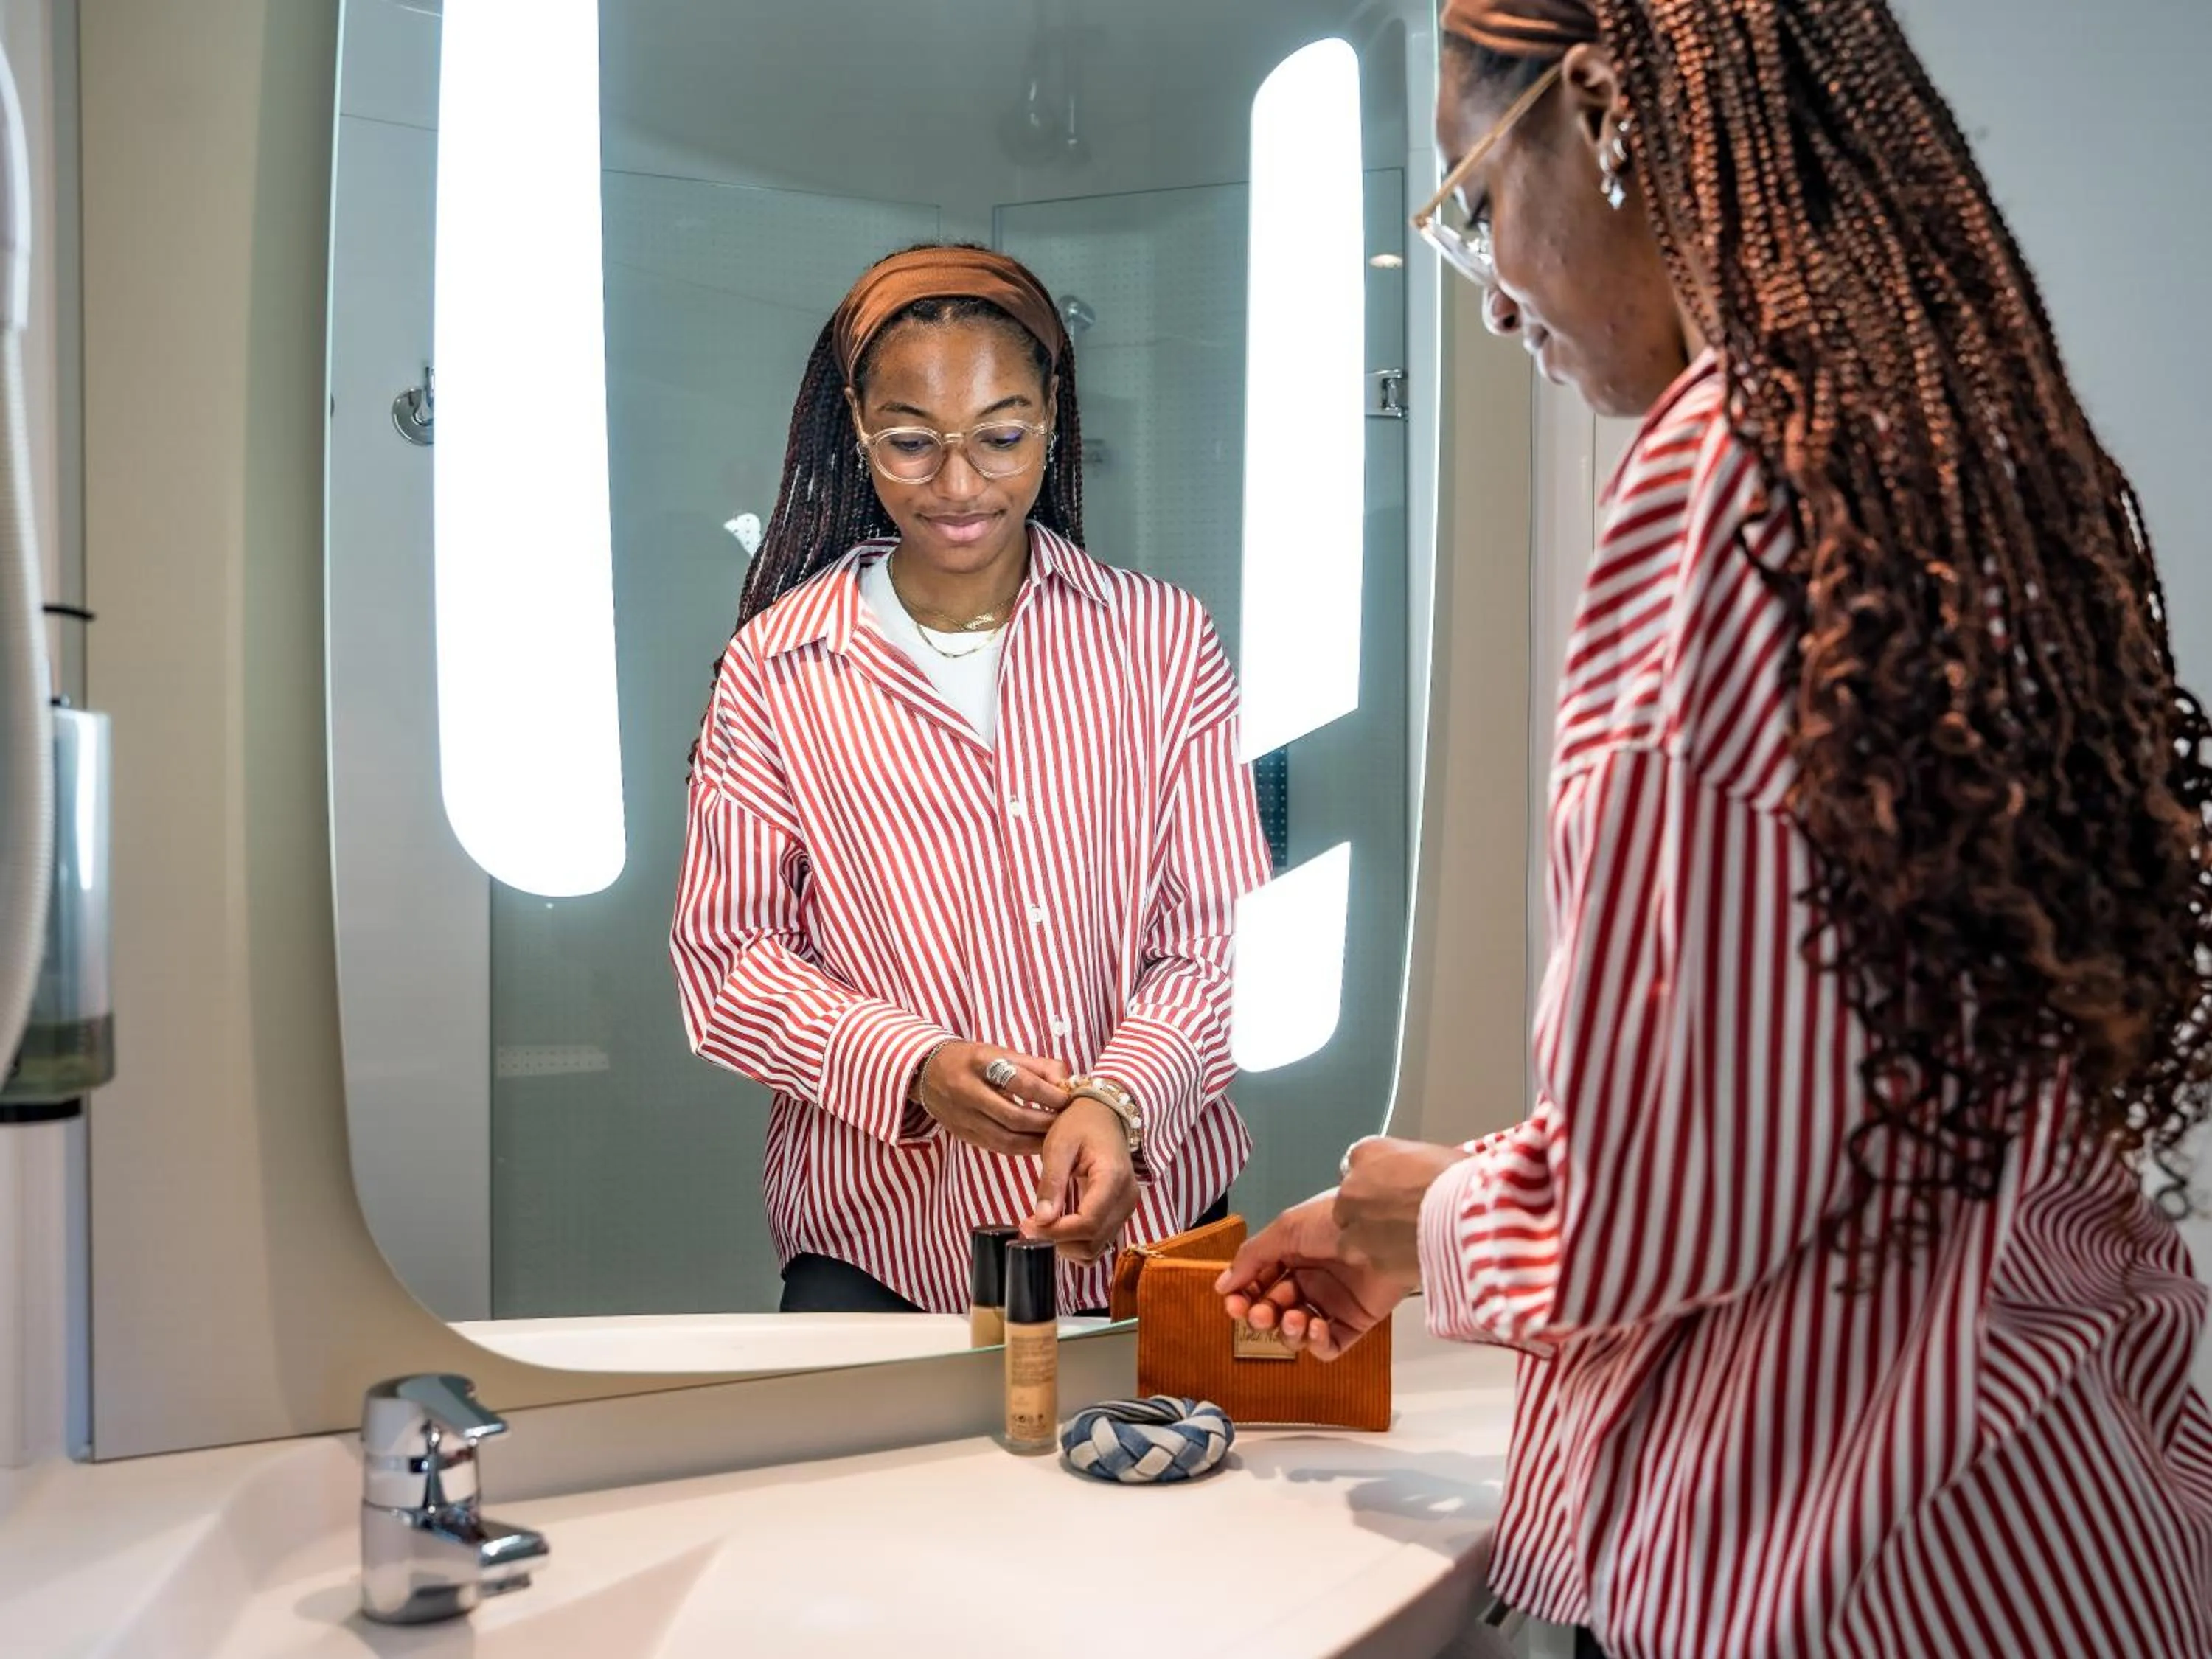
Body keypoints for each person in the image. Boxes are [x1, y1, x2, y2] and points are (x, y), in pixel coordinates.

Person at [1218, 2, 2212, 1653]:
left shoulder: (1728, 471)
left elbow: (1673, 1194)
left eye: (1472, 200)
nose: (1486, 291)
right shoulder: (1948, 455)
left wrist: (1413, 1218)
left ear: (1601, 114)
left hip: (1846, 1563)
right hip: (2062, 1509)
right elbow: (1820, 1103)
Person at [673, 244, 1270, 1317]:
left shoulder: (1164, 642)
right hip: (883, 1249)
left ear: (1054, 418)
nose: (959, 486)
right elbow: (726, 963)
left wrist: (1119, 1101)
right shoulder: (779, 666)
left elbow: (1216, 939)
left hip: (1145, 1233)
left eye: (1002, 436)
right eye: (911, 443)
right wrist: (914, 1067)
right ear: (856, 431)